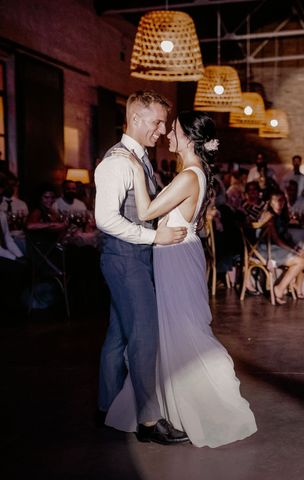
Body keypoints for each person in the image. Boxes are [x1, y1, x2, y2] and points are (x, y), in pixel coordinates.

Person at [104, 109, 257, 447]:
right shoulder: (195, 172)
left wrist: (133, 170)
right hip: (178, 253)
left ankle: (200, 403)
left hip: (174, 256)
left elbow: (145, 212)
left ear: (189, 137)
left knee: (181, 328)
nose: (168, 136)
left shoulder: (190, 175)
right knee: (175, 327)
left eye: (173, 131)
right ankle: (165, 406)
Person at [94, 90, 190, 445]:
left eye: (164, 122)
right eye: (157, 121)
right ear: (135, 119)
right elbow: (104, 219)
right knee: (144, 339)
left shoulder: (139, 158)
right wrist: (155, 239)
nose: (162, 129)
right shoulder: (118, 162)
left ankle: (106, 408)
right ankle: (150, 422)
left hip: (130, 258)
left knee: (118, 336)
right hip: (125, 259)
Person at [254, 190, 304, 303]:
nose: (279, 204)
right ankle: (279, 289)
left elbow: (285, 238)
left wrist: (296, 248)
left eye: (282, 201)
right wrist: (294, 250)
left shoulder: (281, 216)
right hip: (267, 251)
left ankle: (297, 286)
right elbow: (277, 240)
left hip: (278, 248)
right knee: (300, 261)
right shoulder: (269, 216)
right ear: (270, 202)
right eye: (276, 201)